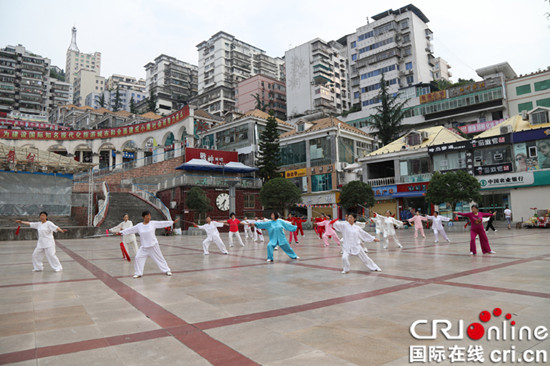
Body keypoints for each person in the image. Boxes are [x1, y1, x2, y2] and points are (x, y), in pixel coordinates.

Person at [120, 210, 178, 278]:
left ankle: (167, 270)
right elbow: (130, 230)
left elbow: (161, 223)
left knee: (160, 258)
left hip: (153, 246)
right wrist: (121, 232)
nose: (149, 217)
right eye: (147, 216)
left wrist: (172, 222)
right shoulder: (139, 226)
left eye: (150, 216)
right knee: (138, 257)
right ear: (143, 217)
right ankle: (138, 273)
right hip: (144, 247)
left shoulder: (153, 223)